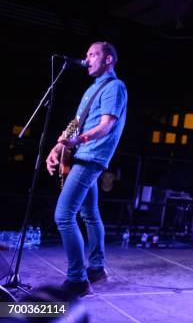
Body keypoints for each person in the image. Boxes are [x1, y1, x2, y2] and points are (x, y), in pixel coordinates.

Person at [45, 41, 127, 297]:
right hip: (82, 154)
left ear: (108, 59)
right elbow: (76, 123)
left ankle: (77, 279)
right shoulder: (94, 89)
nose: (87, 58)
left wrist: (78, 141)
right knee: (90, 214)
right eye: (87, 54)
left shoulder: (114, 87)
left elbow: (106, 126)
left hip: (91, 156)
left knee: (63, 215)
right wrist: (56, 149)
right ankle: (97, 268)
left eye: (93, 54)